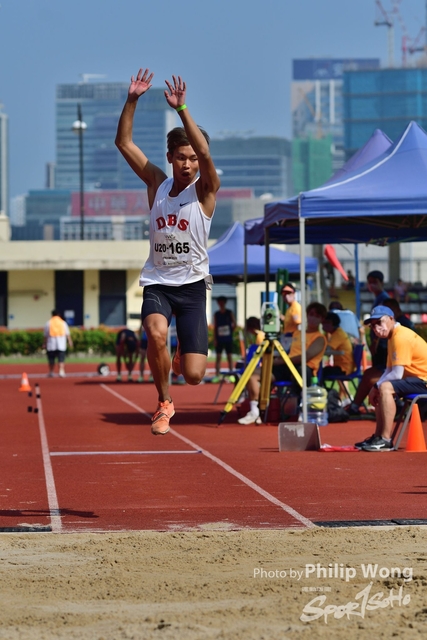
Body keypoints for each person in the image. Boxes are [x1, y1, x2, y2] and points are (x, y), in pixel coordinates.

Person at [115, 68, 220, 435]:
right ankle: (164, 403)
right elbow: (124, 143)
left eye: (192, 158)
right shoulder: (157, 184)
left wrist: (182, 109)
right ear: (170, 158)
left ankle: (180, 356)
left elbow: (205, 151)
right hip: (158, 281)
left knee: (194, 374)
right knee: (155, 332)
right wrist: (132, 100)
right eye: (180, 158)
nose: (187, 164)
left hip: (192, 287)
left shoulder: (205, 190)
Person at [238, 302, 327, 424]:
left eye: (317, 315)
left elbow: (306, 357)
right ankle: (255, 411)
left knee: (302, 371)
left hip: (304, 369)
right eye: (311, 314)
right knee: (253, 374)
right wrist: (274, 358)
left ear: (322, 319)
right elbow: (285, 349)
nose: (313, 318)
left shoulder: (320, 338)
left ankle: (301, 410)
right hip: (284, 367)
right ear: (307, 315)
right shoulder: (297, 333)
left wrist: (279, 362)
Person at [355, 305, 427, 451]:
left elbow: (397, 374)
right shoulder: (392, 337)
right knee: (381, 387)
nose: (376, 328)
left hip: (424, 381)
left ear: (391, 319)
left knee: (385, 387)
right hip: (416, 379)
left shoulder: (400, 337)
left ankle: (385, 440)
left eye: (379, 322)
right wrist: (375, 388)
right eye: (372, 326)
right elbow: (389, 370)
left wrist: (375, 387)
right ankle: (378, 437)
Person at [347, 270, 390, 415]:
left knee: (371, 375)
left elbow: (383, 323)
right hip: (378, 348)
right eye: (369, 282)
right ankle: (357, 405)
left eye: (374, 282)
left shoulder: (383, 299)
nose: (371, 285)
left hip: (382, 348)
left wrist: (376, 342)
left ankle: (358, 406)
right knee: (369, 374)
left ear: (381, 282)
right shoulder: (377, 298)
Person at [322, 312, 354, 378]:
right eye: (323, 322)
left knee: (319, 372)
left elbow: (327, 350)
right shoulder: (330, 333)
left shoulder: (338, 334)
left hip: (344, 368)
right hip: (340, 366)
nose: (324, 325)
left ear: (334, 324)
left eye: (327, 323)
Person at [43, 310, 73, 378]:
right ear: (59, 315)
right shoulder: (63, 323)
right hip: (61, 344)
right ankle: (61, 371)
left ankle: (51, 372)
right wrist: (70, 341)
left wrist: (44, 343)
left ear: (52, 315)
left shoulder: (48, 323)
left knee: (51, 359)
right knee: (61, 359)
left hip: (51, 344)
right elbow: (67, 334)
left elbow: (45, 335)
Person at [213, 296, 236, 380]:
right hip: (219, 339)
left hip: (228, 338)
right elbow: (215, 326)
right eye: (220, 302)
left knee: (229, 356)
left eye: (222, 302)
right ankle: (217, 375)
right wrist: (215, 339)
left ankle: (231, 374)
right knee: (218, 357)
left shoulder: (229, 313)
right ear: (218, 303)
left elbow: (234, 324)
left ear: (225, 303)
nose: (221, 304)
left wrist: (230, 331)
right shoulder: (216, 314)